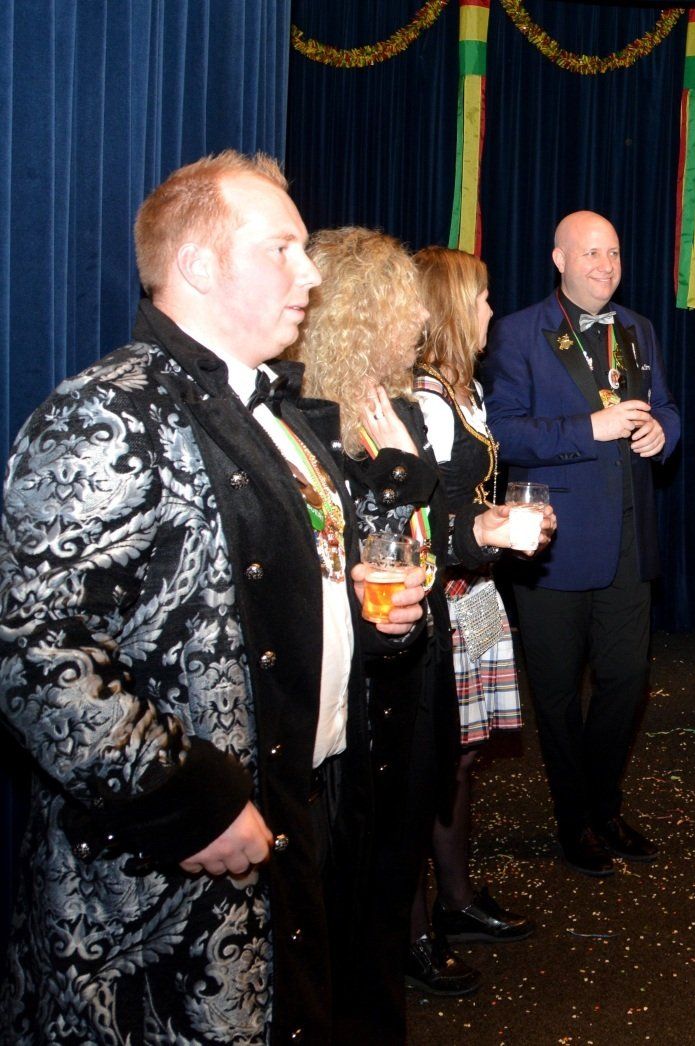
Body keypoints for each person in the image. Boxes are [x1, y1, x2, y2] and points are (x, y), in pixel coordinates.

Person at [0, 152, 430, 1043]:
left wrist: (371, 620)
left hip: (306, 810)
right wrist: (184, 799)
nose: (310, 275)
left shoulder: (278, 413)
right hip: (170, 875)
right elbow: (33, 650)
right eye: (282, 249)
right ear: (197, 265)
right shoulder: (105, 413)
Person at [292, 228, 544, 1015]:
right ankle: (407, 939)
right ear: (364, 315)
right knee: (384, 814)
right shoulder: (320, 415)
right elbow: (370, 541)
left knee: (436, 779)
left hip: (433, 625)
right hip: (373, 658)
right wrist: (456, 517)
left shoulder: (396, 402)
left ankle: (435, 915)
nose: (418, 321)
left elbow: (427, 528)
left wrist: (480, 530)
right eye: (404, 307)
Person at [488, 211, 680, 876]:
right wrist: (588, 428)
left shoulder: (638, 328)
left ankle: (603, 803)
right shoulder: (518, 332)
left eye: (614, 253)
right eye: (592, 253)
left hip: (630, 539)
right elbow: (502, 432)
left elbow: (666, 405)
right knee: (558, 693)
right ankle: (575, 817)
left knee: (627, 682)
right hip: (553, 543)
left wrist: (664, 433)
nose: (606, 265)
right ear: (559, 259)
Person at [409, 247, 536, 975]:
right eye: (483, 298)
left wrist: (505, 525)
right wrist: (483, 529)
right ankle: (411, 929)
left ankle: (456, 900)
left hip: (477, 595)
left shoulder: (466, 391)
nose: (492, 310)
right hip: (442, 601)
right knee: (426, 760)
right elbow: (412, 519)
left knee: (462, 754)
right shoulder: (424, 402)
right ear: (454, 309)